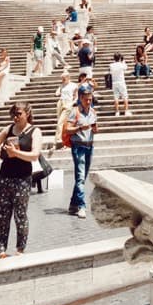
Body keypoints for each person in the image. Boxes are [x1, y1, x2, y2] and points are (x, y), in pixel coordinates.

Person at [0, 102, 41, 258]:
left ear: (27, 113)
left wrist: (16, 153)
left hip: (22, 179)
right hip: (4, 177)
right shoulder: (9, 129)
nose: (15, 117)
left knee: (20, 215)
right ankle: (1, 248)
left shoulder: (34, 131)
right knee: (2, 215)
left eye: (19, 113)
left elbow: (35, 155)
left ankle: (20, 248)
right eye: (13, 114)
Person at [66, 85, 98, 219]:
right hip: (78, 146)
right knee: (80, 177)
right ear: (80, 98)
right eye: (86, 99)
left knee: (82, 177)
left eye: (90, 99)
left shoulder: (93, 112)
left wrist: (95, 129)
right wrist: (79, 128)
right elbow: (67, 129)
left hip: (89, 146)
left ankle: (73, 204)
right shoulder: (75, 112)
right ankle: (81, 206)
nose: (89, 102)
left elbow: (94, 129)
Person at [55, 70, 77, 147]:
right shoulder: (62, 85)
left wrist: (72, 102)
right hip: (61, 102)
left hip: (68, 103)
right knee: (60, 121)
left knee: (60, 122)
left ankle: (59, 139)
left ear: (68, 77)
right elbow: (57, 93)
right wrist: (59, 89)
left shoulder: (74, 85)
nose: (63, 79)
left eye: (64, 77)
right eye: (62, 78)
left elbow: (76, 96)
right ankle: (61, 139)